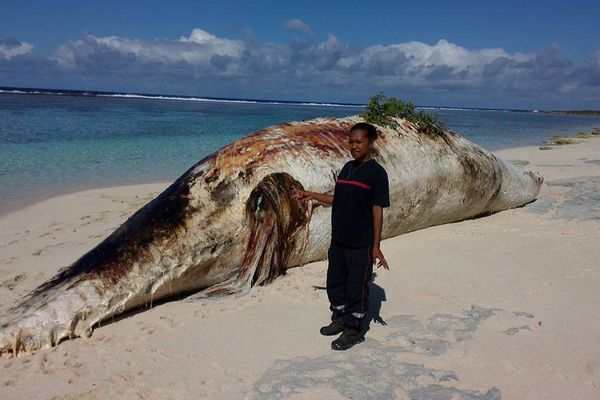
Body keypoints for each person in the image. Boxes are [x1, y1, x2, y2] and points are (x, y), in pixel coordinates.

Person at [295, 122, 390, 350]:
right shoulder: (347, 168)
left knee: (356, 287)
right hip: (338, 240)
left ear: (371, 142)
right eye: (351, 141)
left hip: (360, 243)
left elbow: (378, 212)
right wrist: (313, 195)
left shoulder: (377, 174)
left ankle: (353, 329)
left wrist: (376, 246)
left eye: (359, 142)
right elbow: (340, 199)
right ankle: (339, 318)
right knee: (335, 283)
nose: (354, 146)